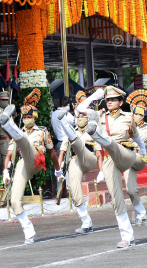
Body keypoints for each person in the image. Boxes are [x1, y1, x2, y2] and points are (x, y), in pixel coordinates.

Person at [83, 86, 147, 248]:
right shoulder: (99, 117)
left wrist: (143, 152)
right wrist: (95, 96)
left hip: (126, 154)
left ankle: (141, 213)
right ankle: (127, 236)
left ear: (121, 102)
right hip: (109, 158)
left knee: (131, 188)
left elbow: (138, 139)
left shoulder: (129, 117)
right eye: (107, 100)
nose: (109, 102)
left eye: (113, 99)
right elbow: (80, 109)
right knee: (116, 197)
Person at [0, 89, 62, 244]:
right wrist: (5, 171)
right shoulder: (19, 133)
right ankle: (29, 231)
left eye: (29, 117)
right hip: (23, 163)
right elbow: (9, 155)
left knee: (25, 142)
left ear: (34, 118)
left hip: (37, 159)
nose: (27, 119)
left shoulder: (42, 131)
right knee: (14, 200)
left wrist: (58, 170)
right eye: (25, 117)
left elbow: (52, 153)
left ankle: (7, 124)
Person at [57, 91, 103, 234]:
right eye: (79, 116)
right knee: (75, 190)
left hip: (89, 158)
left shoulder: (93, 130)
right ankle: (86, 222)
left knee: (79, 146)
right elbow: (62, 152)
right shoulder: (73, 132)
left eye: (83, 116)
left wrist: (101, 171)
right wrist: (58, 170)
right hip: (75, 160)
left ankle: (63, 122)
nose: (81, 118)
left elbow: (98, 153)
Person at [124, 90, 147, 224]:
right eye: (135, 114)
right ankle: (141, 213)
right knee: (130, 190)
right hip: (128, 156)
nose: (136, 116)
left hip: (140, 157)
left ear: (143, 116)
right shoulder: (128, 126)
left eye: (138, 114)